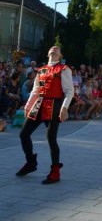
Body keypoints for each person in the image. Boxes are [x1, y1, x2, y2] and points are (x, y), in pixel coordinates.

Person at [15, 45, 74, 184]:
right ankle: (31, 162)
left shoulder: (64, 69)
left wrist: (64, 107)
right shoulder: (41, 70)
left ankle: (55, 171)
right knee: (24, 134)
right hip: (39, 104)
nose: (54, 48)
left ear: (60, 55)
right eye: (52, 48)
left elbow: (69, 91)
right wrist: (28, 106)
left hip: (54, 105)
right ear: (48, 53)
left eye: (57, 49)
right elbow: (36, 90)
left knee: (51, 138)